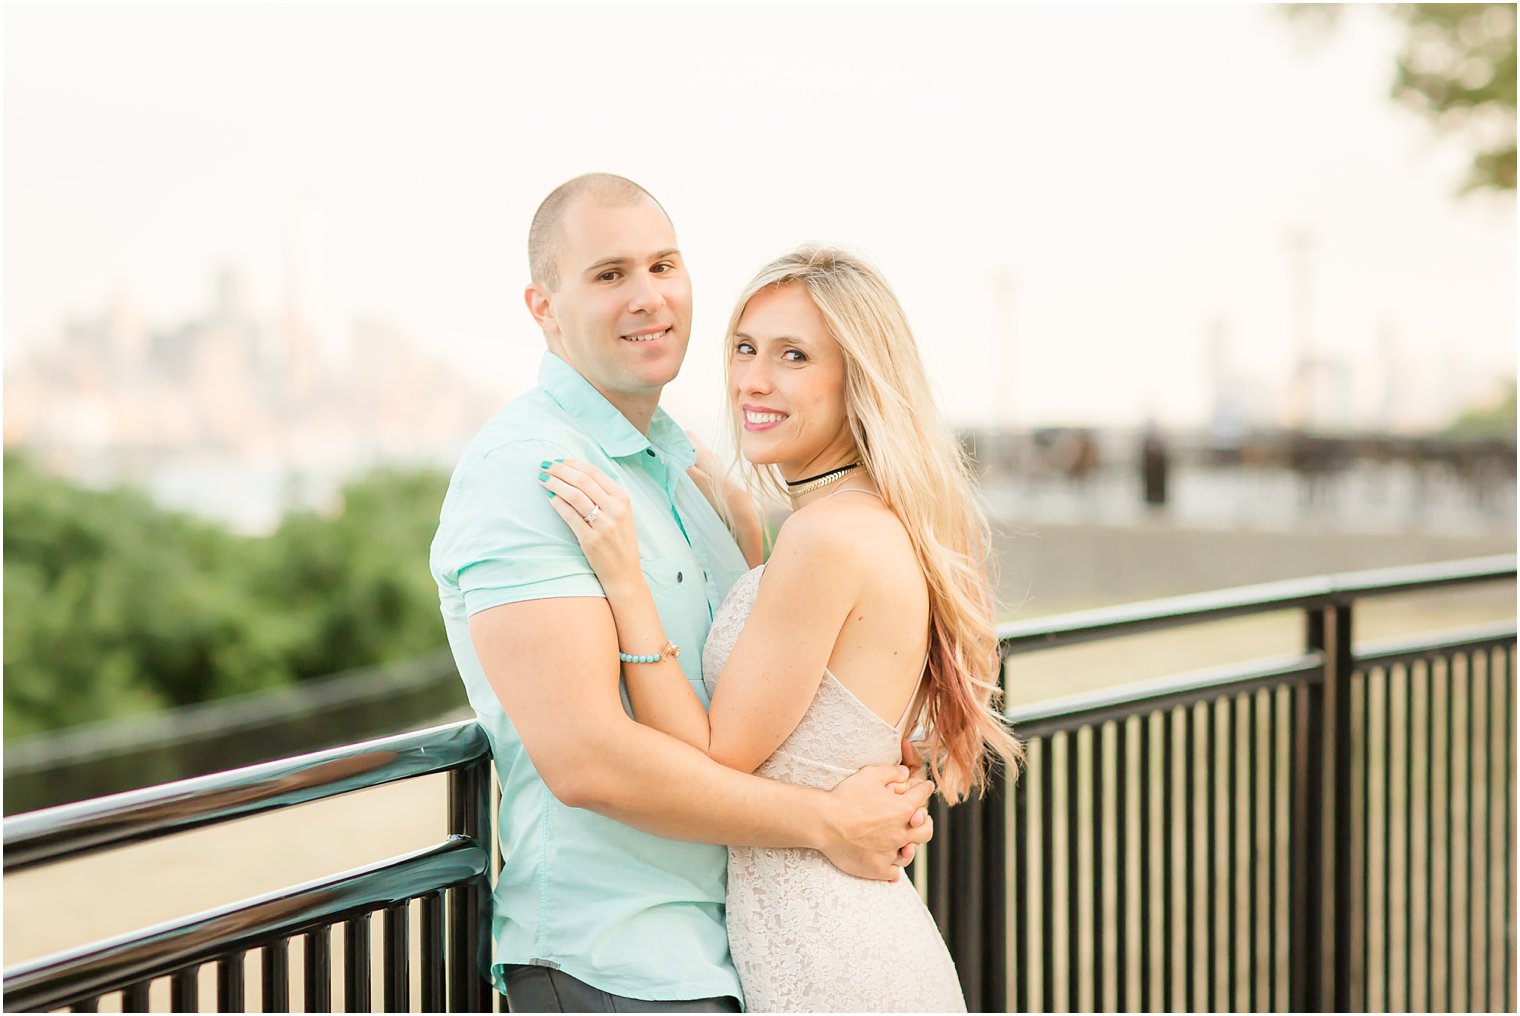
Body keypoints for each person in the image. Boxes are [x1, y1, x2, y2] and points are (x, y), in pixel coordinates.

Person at [429, 176, 936, 1013]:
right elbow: (587, 759)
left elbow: (771, 704)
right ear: (543, 305)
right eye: (608, 274)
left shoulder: (696, 480)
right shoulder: (528, 474)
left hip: (751, 959)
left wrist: (870, 764)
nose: (648, 297)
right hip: (622, 967)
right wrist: (829, 822)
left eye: (663, 265)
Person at [541, 244, 1023, 1011]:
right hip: (848, 941)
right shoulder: (864, 519)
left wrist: (625, 580)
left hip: (834, 961)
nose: (752, 381)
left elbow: (715, 754)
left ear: (857, 379)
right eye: (743, 349)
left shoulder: (827, 538)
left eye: (793, 356)